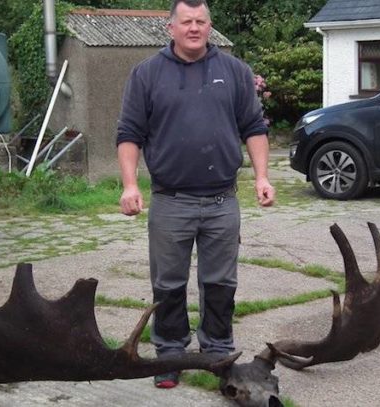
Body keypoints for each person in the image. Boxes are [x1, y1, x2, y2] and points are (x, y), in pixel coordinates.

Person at [115, 0, 274, 389]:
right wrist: (130, 184)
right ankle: (169, 355)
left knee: (220, 281)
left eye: (201, 21)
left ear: (210, 26)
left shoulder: (234, 71)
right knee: (168, 283)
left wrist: (261, 177)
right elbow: (129, 134)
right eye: (186, 21)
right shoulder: (147, 75)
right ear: (170, 27)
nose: (194, 28)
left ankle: (218, 352)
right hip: (170, 201)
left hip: (222, 200)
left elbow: (254, 127)